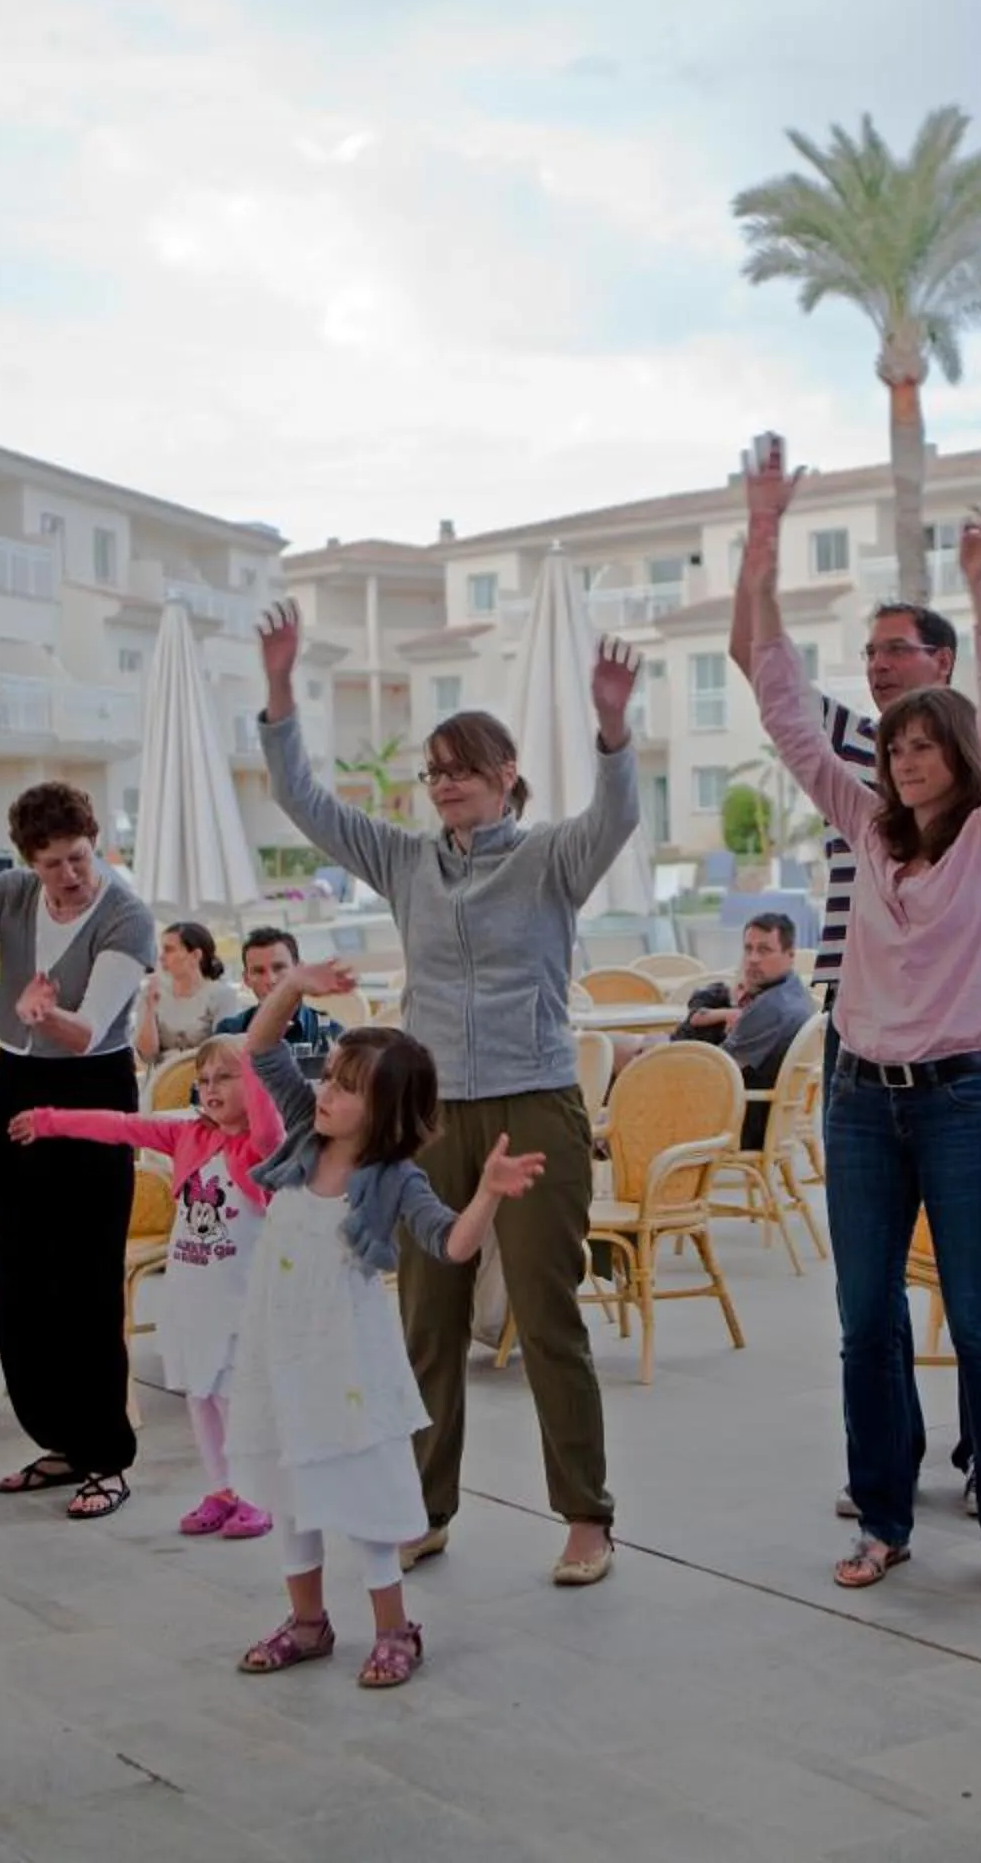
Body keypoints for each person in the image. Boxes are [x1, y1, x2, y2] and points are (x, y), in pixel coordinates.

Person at [733, 434, 981, 1519]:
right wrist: (760, 542)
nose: (881, 674)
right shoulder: (862, 773)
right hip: (863, 1077)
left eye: (899, 647)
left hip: (966, 1083)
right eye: (871, 653)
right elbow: (773, 694)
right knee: (867, 1314)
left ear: (945, 669)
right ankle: (884, 1488)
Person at [258, 600, 637, 1586]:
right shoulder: (404, 860)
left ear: (506, 774)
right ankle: (422, 1506)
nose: (444, 786)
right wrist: (280, 688)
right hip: (429, 1114)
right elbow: (305, 801)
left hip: (534, 1101)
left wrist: (611, 728)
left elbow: (618, 815)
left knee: (548, 1315)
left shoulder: (553, 855)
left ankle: (586, 1514)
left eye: (460, 768)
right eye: (433, 772)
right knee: (426, 1319)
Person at [227, 960, 543, 1688]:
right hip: (285, 1354)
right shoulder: (305, 1132)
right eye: (331, 1077)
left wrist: (488, 1195)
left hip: (349, 1369)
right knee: (290, 1488)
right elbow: (261, 1048)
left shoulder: (396, 1177)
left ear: (388, 1109)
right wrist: (295, 986)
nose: (326, 1092)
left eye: (345, 1085)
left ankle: (396, 1628)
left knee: (367, 1495)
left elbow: (451, 1244)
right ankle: (307, 1622)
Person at [0, 782, 161, 1522]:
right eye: (52, 864)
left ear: (95, 841)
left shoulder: (126, 917)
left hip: (92, 1091)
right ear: (30, 862)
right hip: (18, 1080)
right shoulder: (12, 894)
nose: (69, 875)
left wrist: (47, 1013)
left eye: (78, 857)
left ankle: (106, 1455)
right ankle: (59, 1438)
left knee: (85, 1275)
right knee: (20, 1268)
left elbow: (90, 1030)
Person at [10, 1030, 285, 1539]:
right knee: (199, 1397)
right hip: (191, 1300)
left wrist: (257, 1057)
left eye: (226, 1076)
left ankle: (258, 1491)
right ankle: (222, 1486)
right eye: (203, 1080)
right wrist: (50, 1121)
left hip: (240, 1306)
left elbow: (267, 1118)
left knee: (235, 1400)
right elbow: (121, 1127)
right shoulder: (189, 1137)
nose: (212, 1088)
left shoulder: (264, 1149)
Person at [672, 914, 814, 1147]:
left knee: (633, 1066)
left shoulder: (771, 1007)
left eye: (764, 950)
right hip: (762, 1116)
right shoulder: (794, 992)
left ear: (790, 955)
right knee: (636, 1055)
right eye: (748, 949)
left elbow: (714, 1072)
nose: (753, 959)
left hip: (739, 1124)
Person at [215, 927, 340, 1066]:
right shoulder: (229, 1033)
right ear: (246, 979)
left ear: (300, 971)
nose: (271, 980)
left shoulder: (331, 1034)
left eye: (279, 968)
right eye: (259, 971)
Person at [136, 920, 236, 1067]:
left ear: (195, 955)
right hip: (162, 1081)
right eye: (161, 950)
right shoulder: (153, 992)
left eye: (169, 950)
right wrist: (149, 1008)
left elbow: (225, 1051)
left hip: (206, 1079)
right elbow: (147, 1056)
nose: (161, 957)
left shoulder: (221, 995)